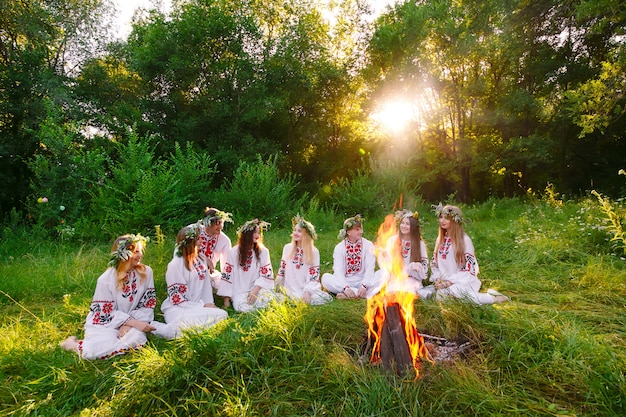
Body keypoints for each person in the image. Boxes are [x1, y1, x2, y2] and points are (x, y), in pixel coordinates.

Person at [60, 234, 160, 359]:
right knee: (100, 348)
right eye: (136, 252)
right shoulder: (106, 280)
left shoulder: (146, 272)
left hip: (135, 320)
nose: (140, 255)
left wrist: (130, 324)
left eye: (140, 251)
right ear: (124, 255)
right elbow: (105, 313)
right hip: (107, 322)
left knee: (137, 339)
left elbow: (147, 303)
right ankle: (72, 345)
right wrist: (131, 322)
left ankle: (85, 345)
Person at [152, 223, 229, 339]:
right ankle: (161, 328)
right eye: (198, 239)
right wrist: (202, 306)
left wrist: (209, 303)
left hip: (198, 306)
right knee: (188, 324)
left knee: (222, 315)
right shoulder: (175, 265)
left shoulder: (201, 259)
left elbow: (206, 286)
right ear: (189, 243)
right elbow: (177, 298)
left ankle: (184, 330)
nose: (201, 242)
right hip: (179, 309)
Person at [429, 203, 509, 304]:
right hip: (444, 282)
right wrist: (438, 279)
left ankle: (494, 298)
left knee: (444, 296)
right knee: (434, 296)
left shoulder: (464, 240)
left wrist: (449, 282)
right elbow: (434, 263)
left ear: (454, 220)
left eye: (446, 218)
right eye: (441, 217)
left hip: (463, 281)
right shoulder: (440, 240)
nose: (442, 221)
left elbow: (470, 267)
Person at [222, 218, 284, 312]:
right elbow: (227, 276)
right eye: (254, 232)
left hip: (257, 289)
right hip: (239, 291)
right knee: (242, 307)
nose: (257, 235)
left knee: (268, 300)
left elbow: (266, 275)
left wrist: (256, 289)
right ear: (247, 234)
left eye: (259, 233)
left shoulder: (263, 251)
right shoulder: (234, 252)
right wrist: (226, 302)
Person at [376, 209, 433, 298]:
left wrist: (416, 266)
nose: (404, 226)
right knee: (392, 293)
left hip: (411, 279)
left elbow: (424, 267)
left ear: (413, 227)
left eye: (407, 224)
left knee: (406, 293)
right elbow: (388, 264)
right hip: (396, 278)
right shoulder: (392, 240)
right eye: (402, 223)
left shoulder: (419, 244)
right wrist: (383, 255)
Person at [276, 215, 332, 305]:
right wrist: (277, 285)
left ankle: (301, 298)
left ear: (306, 234)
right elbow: (282, 271)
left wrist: (308, 290)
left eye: (299, 231)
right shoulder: (287, 248)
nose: (295, 233)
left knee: (320, 298)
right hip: (289, 288)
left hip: (306, 288)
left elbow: (314, 276)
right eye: (294, 230)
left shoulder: (314, 252)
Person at [321, 214, 379, 299]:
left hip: (362, 281)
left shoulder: (368, 245)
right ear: (348, 232)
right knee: (325, 278)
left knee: (384, 273)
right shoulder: (339, 248)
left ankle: (351, 295)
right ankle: (358, 294)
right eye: (357, 229)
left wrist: (364, 285)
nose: (361, 232)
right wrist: (346, 287)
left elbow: (370, 267)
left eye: (361, 229)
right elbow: (338, 270)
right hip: (345, 281)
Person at [196, 207, 233, 307]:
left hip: (210, 273)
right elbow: (182, 250)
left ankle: (227, 300)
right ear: (208, 223)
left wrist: (226, 295)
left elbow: (227, 266)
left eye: (222, 223)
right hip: (192, 271)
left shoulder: (224, 240)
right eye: (217, 223)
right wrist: (204, 258)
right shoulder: (194, 231)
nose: (220, 227)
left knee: (223, 281)